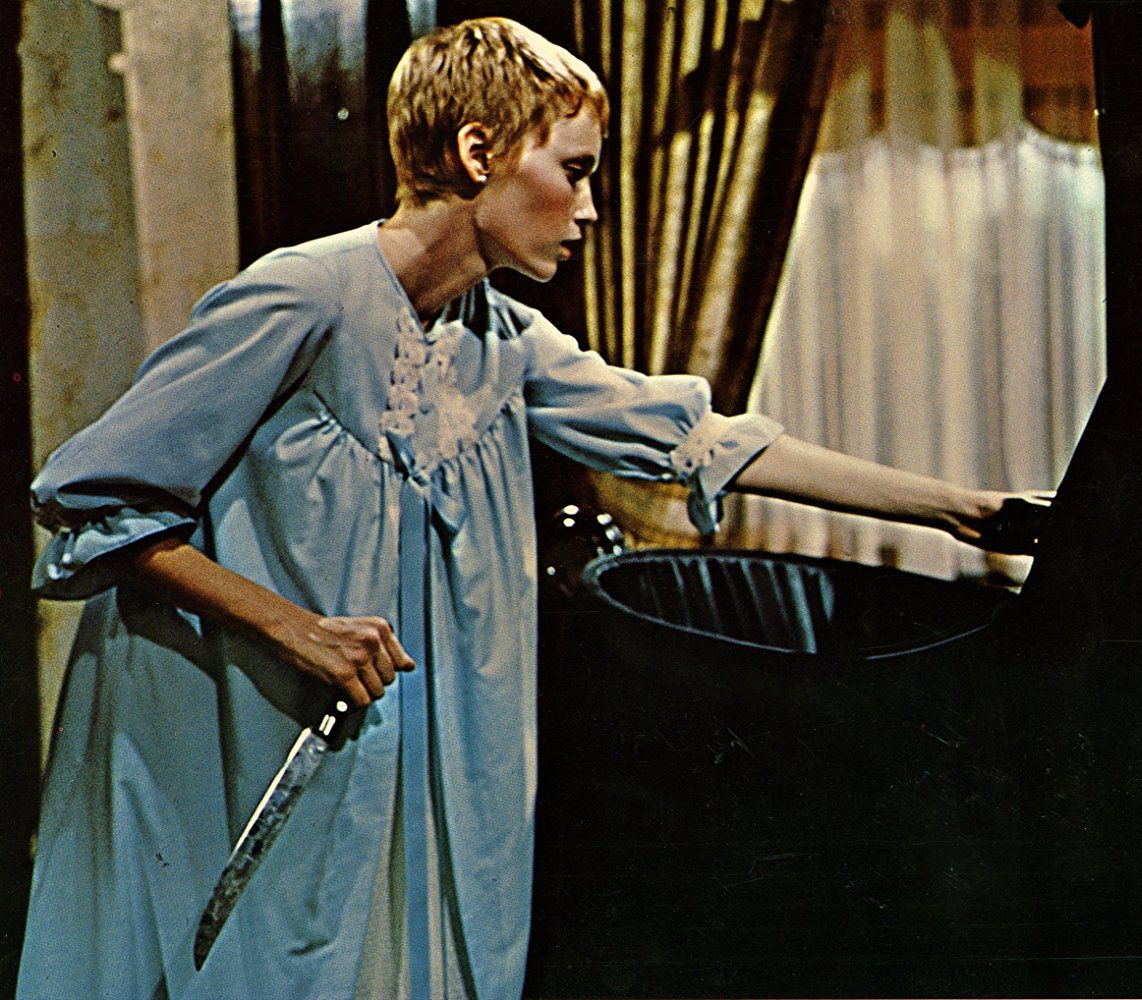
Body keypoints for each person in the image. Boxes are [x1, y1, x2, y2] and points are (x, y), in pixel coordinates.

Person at [17, 17, 1041, 1000]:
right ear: (478, 152)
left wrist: (958, 507)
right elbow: (91, 496)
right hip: (257, 732)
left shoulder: (503, 340)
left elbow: (701, 437)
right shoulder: (303, 296)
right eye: (576, 171)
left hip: (417, 753)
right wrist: (298, 629)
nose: (589, 210)